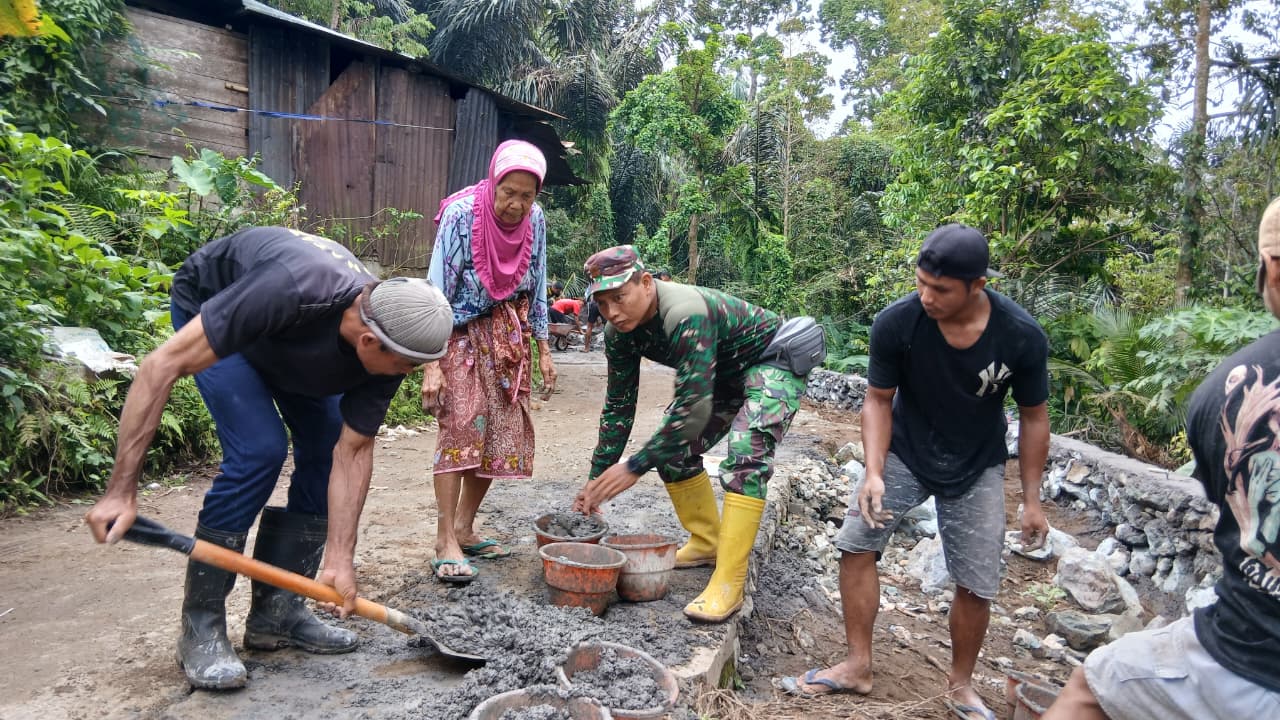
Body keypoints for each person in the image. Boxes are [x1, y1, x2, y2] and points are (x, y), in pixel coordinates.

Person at [84, 227, 453, 690]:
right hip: (217, 307)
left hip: (289, 338)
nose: (408, 376)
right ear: (368, 343)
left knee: (323, 445)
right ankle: (201, 625)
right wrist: (120, 492)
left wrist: (340, 558)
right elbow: (160, 366)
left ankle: (278, 613)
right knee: (259, 450)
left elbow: (352, 450)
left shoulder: (391, 336)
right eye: (406, 367)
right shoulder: (291, 289)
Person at [779, 224, 1050, 720]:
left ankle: (961, 685)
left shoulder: (1020, 335)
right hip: (903, 450)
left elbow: (1034, 417)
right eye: (921, 282)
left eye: (940, 289)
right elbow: (877, 401)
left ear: (978, 286)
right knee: (856, 544)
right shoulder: (897, 323)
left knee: (977, 581)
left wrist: (1031, 501)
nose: (926, 296)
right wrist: (874, 472)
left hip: (978, 462)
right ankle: (858, 665)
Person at [1042, 197, 1280, 720]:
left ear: (1271, 269)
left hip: (1242, 651)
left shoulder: (1228, 391)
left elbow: (1237, 510)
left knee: (1091, 688)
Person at [572, 245, 825, 622]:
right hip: (720, 378)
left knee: (745, 457)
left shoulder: (685, 313)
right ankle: (707, 542)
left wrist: (634, 466)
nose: (612, 312)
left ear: (645, 283)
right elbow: (619, 407)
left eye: (619, 298)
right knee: (672, 452)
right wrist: (596, 481)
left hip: (771, 360)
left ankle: (729, 581)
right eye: (603, 303)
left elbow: (693, 412)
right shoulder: (618, 333)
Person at [423, 140, 558, 583]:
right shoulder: (463, 215)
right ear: (494, 180)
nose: (516, 204)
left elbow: (535, 287)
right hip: (456, 330)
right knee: (461, 426)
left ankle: (464, 527)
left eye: (527, 195)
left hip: (505, 333)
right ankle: (444, 539)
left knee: (500, 433)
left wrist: (544, 350)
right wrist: (430, 363)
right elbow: (436, 288)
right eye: (509, 192)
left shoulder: (535, 221)